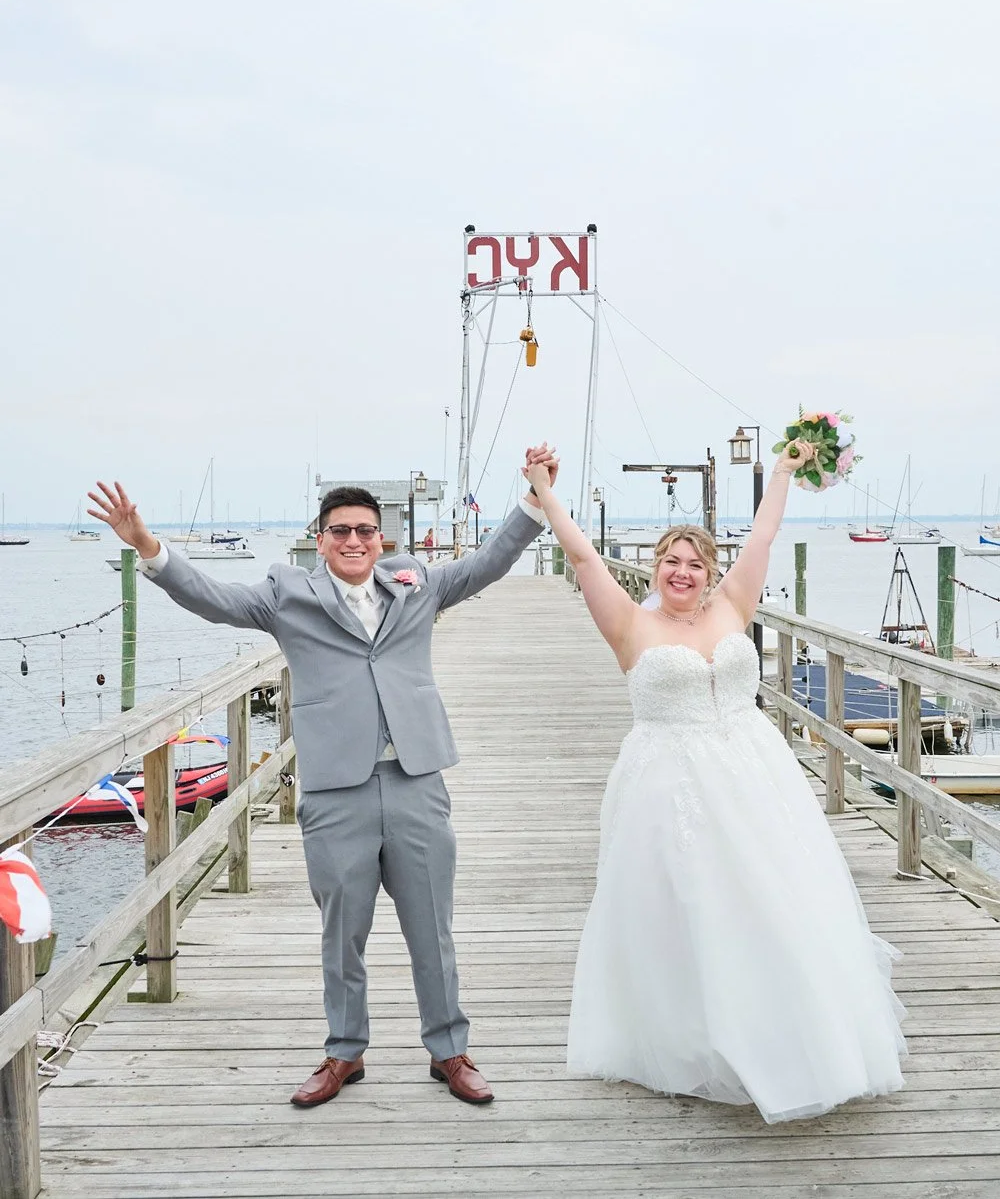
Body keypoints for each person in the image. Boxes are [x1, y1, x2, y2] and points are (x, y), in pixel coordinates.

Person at [88, 446, 557, 1110]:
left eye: (365, 530)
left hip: (416, 779)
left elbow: (488, 564)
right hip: (337, 788)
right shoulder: (288, 595)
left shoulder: (413, 581)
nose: (355, 540)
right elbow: (215, 599)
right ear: (321, 539)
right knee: (343, 931)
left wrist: (533, 500)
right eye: (340, 530)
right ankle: (345, 1052)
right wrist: (149, 547)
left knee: (434, 927)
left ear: (381, 539)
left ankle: (449, 1049)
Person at [524, 441, 906, 1124]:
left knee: (774, 900)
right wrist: (545, 493)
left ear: (710, 573)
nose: (682, 571)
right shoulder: (628, 624)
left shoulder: (735, 606)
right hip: (667, 781)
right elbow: (582, 557)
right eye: (670, 560)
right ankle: (694, 1040)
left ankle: (790, 1032)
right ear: (655, 568)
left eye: (694, 562)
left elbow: (763, 533)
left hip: (753, 772)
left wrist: (783, 471)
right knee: (689, 909)